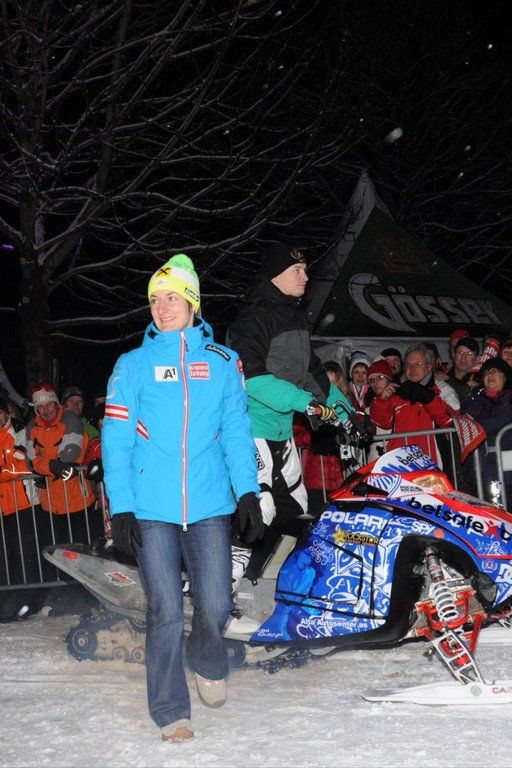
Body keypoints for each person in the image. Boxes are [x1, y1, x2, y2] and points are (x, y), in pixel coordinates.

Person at [102, 253, 262, 743]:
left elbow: (236, 431)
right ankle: (171, 709)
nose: (162, 307)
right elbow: (116, 439)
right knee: (166, 610)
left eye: (172, 297)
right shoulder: (133, 365)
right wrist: (121, 505)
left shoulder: (223, 363)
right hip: (151, 507)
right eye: (155, 299)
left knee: (215, 605)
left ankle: (207, 658)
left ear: (193, 302)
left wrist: (248, 491)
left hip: (210, 504)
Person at [226, 243, 356, 594]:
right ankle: (221, 588)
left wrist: (347, 412)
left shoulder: (296, 318)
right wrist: (306, 404)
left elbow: (313, 374)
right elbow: (251, 379)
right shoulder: (252, 319)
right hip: (251, 430)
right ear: (276, 276)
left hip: (281, 432)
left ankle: (271, 584)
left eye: (305, 269)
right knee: (260, 508)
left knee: (296, 509)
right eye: (297, 270)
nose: (306, 276)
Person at [19, 382, 98, 546]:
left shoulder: (70, 419)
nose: (45, 410)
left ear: (56, 403)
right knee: (57, 551)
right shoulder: (32, 427)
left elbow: (70, 454)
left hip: (78, 499)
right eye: (40, 407)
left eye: (48, 404)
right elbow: (31, 460)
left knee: (82, 549)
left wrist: (45, 466)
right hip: (50, 503)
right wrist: (51, 466)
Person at [369, 344, 454, 465]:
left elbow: (452, 419)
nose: (412, 368)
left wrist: (428, 398)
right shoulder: (397, 391)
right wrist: (383, 400)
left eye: (417, 364)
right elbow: (382, 422)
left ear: (429, 366)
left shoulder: (442, 389)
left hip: (431, 462)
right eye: (408, 365)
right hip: (402, 463)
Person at [462, 357, 512, 503]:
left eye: (495, 371)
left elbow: (504, 418)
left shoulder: (509, 398)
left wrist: (476, 425)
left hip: (506, 468)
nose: (490, 375)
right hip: (478, 469)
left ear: (505, 376)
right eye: (486, 372)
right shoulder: (475, 397)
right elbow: (464, 419)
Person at [444, 336, 480, 407]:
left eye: (469, 353)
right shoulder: (442, 378)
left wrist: (480, 390)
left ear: (477, 359)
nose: (463, 357)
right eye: (460, 352)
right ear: (454, 355)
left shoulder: (482, 380)